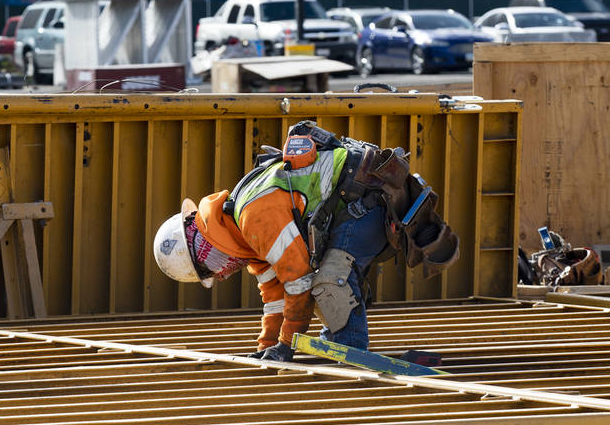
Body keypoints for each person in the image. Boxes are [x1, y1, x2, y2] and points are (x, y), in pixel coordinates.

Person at [152, 121, 458, 362]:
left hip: (370, 202)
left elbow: (298, 280)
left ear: (204, 243)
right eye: (215, 273)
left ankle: (351, 350)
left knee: (327, 280)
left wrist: (287, 343)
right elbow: (274, 295)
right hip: (355, 204)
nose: (223, 271)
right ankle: (337, 340)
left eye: (214, 264)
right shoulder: (241, 235)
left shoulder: (253, 218)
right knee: (319, 281)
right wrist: (269, 345)